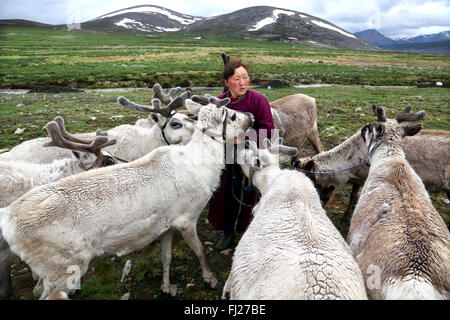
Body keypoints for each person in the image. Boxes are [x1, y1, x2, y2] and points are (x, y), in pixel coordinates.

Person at [208, 57, 274, 251]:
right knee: (225, 192)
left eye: (245, 77)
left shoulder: (258, 100)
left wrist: (243, 139)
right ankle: (227, 231)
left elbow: (268, 130)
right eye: (237, 78)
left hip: (250, 155)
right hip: (225, 155)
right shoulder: (218, 103)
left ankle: (248, 231)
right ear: (227, 81)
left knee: (249, 195)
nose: (242, 82)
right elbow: (209, 129)